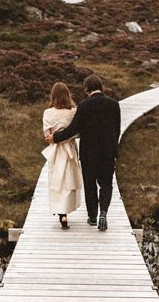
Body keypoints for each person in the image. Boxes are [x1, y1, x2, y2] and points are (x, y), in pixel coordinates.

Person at [45, 74, 120, 232]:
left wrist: (55, 138)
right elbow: (117, 130)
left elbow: (73, 129)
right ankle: (103, 213)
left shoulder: (84, 106)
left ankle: (92, 217)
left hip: (89, 153)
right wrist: (113, 150)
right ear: (102, 87)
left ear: (87, 89)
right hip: (108, 152)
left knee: (90, 184)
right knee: (106, 184)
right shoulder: (114, 105)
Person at [41, 82, 83, 229]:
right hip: (70, 149)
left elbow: (47, 136)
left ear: (53, 96)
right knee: (69, 180)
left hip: (56, 150)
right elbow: (78, 132)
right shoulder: (74, 111)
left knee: (57, 181)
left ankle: (61, 214)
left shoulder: (48, 113)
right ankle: (66, 210)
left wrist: (54, 136)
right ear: (67, 95)